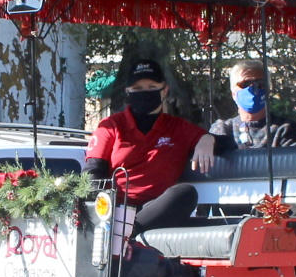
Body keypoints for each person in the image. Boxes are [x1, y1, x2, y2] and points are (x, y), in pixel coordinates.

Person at [83, 58, 217, 235]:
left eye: (152, 87)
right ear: (127, 91)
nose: (145, 93)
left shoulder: (178, 128)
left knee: (185, 193)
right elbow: (92, 174)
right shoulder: (110, 126)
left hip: (156, 208)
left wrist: (207, 139)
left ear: (165, 90)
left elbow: (227, 142)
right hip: (116, 208)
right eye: (137, 89)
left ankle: (127, 235)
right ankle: (125, 234)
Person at [210, 59, 296, 150]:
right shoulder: (222, 129)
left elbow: (293, 163)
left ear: (268, 89)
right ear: (233, 93)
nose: (253, 89)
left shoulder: (283, 128)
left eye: (260, 84)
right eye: (245, 84)